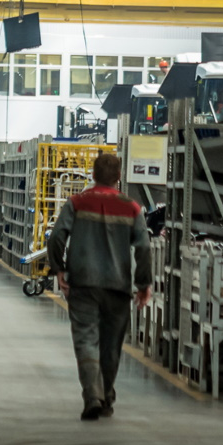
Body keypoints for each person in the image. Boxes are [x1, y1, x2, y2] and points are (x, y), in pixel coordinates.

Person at [47, 153, 151, 421]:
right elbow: (143, 247)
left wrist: (59, 268)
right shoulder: (132, 208)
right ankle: (105, 397)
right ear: (118, 177)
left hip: (83, 284)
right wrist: (143, 284)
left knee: (86, 340)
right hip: (118, 287)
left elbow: (57, 235)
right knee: (111, 345)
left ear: (92, 175)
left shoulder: (77, 202)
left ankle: (93, 395)